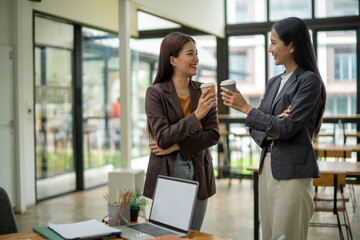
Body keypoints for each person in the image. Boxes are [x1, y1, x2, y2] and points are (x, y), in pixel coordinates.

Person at [220, 17, 326, 240]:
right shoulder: (274, 83)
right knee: (269, 235)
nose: (270, 49)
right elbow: (256, 127)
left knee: (287, 235)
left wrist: (249, 109)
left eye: (274, 42)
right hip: (267, 168)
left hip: (292, 172)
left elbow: (285, 127)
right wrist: (271, 125)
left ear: (292, 45)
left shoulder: (309, 81)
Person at [143, 32, 220, 231]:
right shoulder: (155, 93)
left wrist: (178, 145)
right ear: (173, 60)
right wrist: (197, 116)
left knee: (194, 234)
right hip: (168, 171)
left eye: (196, 53)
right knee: (169, 235)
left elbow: (213, 134)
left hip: (199, 172)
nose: (196, 59)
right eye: (190, 54)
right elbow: (162, 138)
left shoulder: (203, 90)